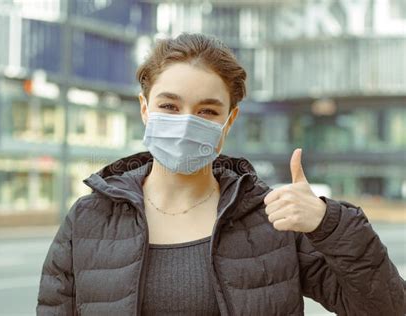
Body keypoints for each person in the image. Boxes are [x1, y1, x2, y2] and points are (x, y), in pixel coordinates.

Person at [36, 33, 405, 315]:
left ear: (229, 120)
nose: (185, 123)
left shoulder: (272, 219)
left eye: (207, 111)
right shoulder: (88, 220)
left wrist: (331, 223)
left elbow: (386, 309)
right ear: (145, 109)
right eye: (170, 105)